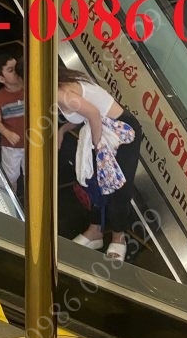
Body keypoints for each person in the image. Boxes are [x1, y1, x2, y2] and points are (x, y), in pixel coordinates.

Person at [57, 64, 142, 263]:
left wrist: (97, 146)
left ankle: (118, 237)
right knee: (92, 181)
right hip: (100, 130)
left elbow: (93, 113)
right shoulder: (62, 83)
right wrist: (63, 130)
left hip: (120, 134)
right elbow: (83, 112)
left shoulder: (60, 93)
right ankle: (95, 230)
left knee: (117, 186)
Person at [0, 53, 24, 195]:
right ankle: (12, 198)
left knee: (34, 173)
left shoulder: (30, 87)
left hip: (34, 141)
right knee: (11, 176)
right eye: (11, 70)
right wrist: (7, 133)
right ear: (1, 79)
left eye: (17, 67)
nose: (17, 71)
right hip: (11, 146)